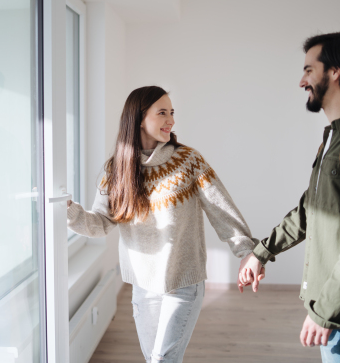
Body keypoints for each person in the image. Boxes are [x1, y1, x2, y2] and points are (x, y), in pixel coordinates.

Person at [237, 32, 340, 362]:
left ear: (335, 72)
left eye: (308, 70)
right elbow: (309, 210)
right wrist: (262, 252)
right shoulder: (337, 139)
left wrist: (324, 310)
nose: (302, 81)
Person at [66, 86, 263, 363]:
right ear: (138, 119)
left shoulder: (188, 161)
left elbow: (222, 210)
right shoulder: (116, 169)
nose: (171, 120)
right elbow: (100, 223)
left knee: (162, 360)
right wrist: (68, 211)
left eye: (172, 112)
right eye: (162, 112)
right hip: (143, 285)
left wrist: (246, 251)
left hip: (183, 282)